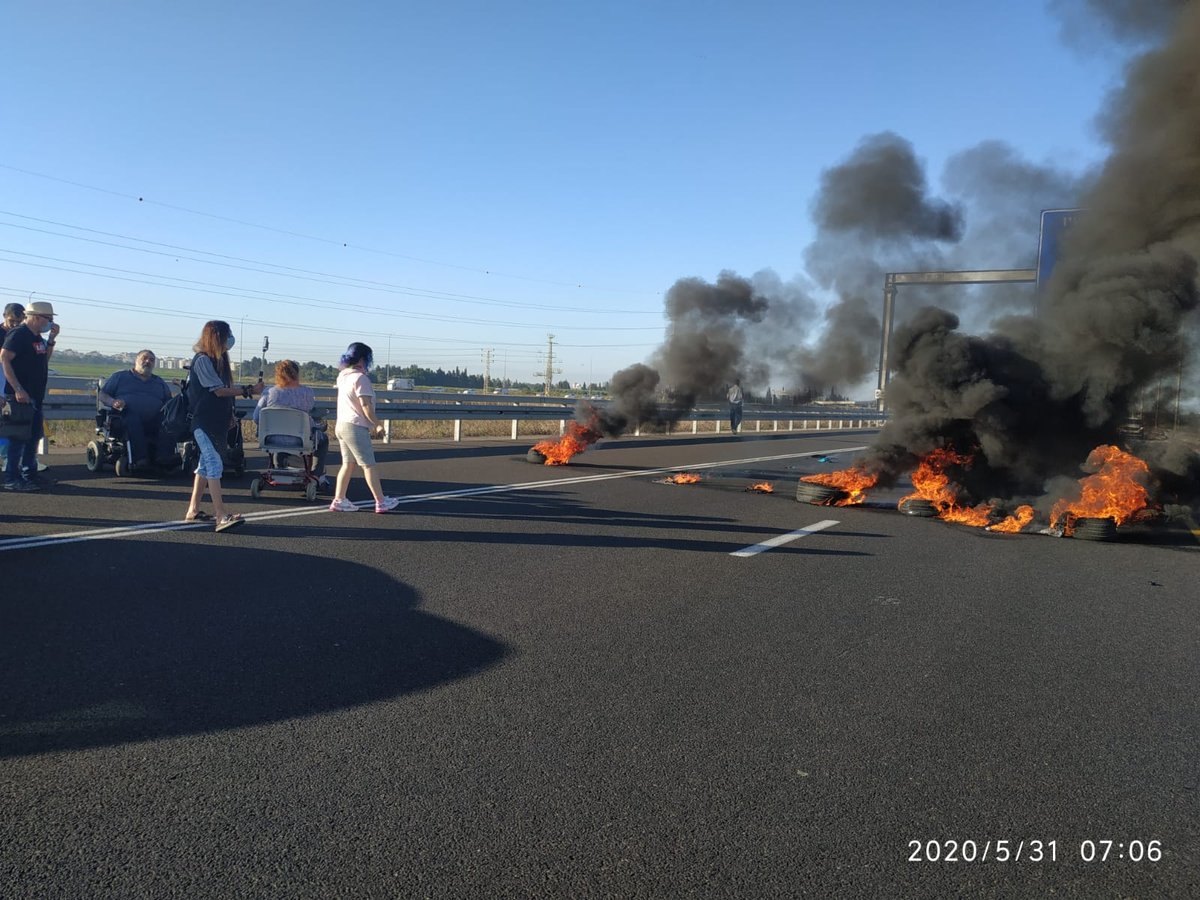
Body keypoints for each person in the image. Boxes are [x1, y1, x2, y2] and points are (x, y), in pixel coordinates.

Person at [184, 320, 263, 532]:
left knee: (204, 465)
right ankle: (221, 515)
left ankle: (193, 510)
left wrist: (230, 414)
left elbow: (225, 391)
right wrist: (249, 390)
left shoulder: (218, 360)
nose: (230, 339)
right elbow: (218, 390)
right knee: (214, 463)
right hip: (204, 420)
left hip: (216, 421)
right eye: (227, 335)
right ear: (216, 337)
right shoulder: (202, 361)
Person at [329, 342, 399, 514]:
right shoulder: (361, 379)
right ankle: (381, 502)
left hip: (341, 425)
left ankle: (339, 499)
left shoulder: (343, 376)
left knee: (348, 463)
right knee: (369, 465)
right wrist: (378, 424)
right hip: (355, 426)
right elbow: (366, 405)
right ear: (363, 358)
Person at [1, 300, 59, 491]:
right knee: (18, 438)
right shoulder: (19, 334)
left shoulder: (36, 338)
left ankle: (30, 474)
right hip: (21, 397)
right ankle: (11, 477)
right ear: (35, 317)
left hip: (35, 396)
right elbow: (4, 358)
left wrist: (51, 339)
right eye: (47, 318)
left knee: (33, 437)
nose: (49, 322)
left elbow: (44, 359)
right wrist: (17, 388)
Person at [252, 358, 331, 490]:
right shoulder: (307, 393)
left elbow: (256, 417)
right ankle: (316, 474)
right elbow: (311, 410)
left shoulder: (269, 392)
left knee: (279, 432)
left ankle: (279, 466)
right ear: (297, 374)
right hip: (299, 440)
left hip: (271, 439)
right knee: (323, 440)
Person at [98, 349, 174, 469]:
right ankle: (140, 459)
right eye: (144, 358)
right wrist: (113, 402)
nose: (148, 361)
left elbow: (169, 402)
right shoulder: (120, 377)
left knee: (169, 421)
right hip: (125, 414)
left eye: (152, 360)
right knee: (132, 418)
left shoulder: (159, 382)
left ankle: (164, 458)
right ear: (136, 360)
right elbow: (103, 395)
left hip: (154, 418)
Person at [0, 302, 24, 471]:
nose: (15, 325)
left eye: (18, 321)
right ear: (4, 317)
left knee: (10, 429)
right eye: (11, 321)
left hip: (11, 389)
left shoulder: (21, 335)